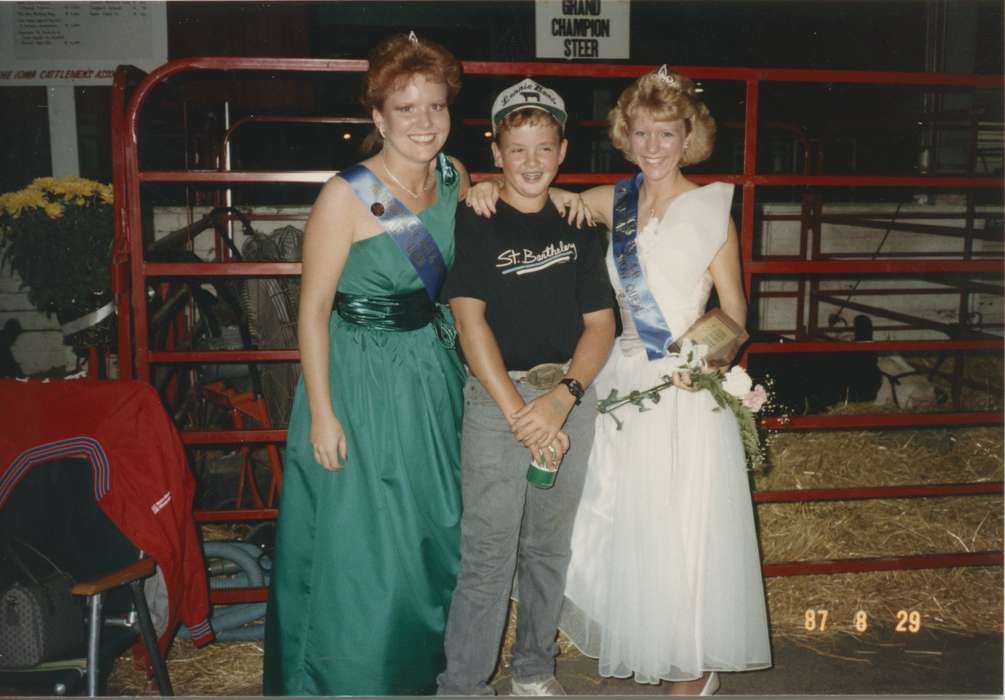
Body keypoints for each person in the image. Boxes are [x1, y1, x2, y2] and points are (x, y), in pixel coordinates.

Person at [263, 32, 471, 696]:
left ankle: (414, 676)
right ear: (377, 117)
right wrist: (322, 414)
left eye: (434, 106)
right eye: (404, 109)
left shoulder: (456, 177)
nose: (422, 123)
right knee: (364, 547)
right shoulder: (346, 196)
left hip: (430, 374)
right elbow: (312, 310)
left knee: (428, 535)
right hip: (358, 380)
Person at [559, 66, 772, 695]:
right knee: (620, 516)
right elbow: (537, 191)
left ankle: (696, 663)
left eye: (668, 134)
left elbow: (734, 312)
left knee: (682, 523)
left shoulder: (710, 211)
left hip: (682, 383)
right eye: (642, 133)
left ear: (689, 138)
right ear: (626, 135)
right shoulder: (609, 200)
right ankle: (651, 638)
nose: (654, 147)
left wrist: (702, 364)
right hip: (622, 379)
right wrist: (479, 185)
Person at [436, 79, 615, 697]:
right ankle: (462, 685)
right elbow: (469, 319)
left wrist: (562, 399)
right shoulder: (477, 217)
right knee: (488, 551)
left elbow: (601, 323)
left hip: (566, 393)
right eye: (518, 149)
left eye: (544, 148)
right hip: (500, 399)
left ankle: (535, 669)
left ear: (562, 151)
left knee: (547, 546)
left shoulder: (578, 223)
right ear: (498, 152)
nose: (532, 162)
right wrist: (521, 414)